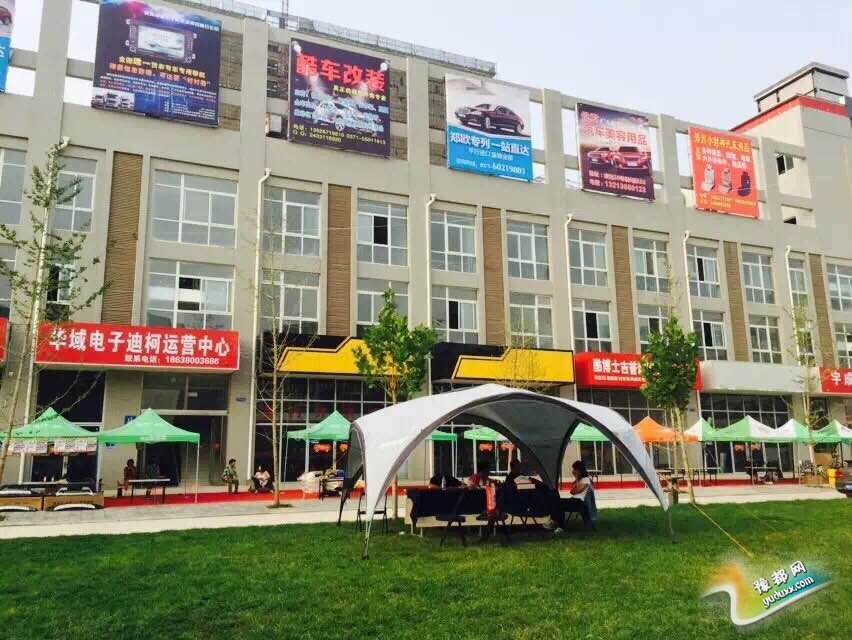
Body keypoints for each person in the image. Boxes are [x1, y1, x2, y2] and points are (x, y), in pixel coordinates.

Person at [543, 460, 593, 533]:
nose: (573, 471)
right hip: (573, 500)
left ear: (579, 470)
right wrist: (577, 480)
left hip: (578, 502)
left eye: (574, 469)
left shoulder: (586, 479)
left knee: (558, 503)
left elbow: (577, 491)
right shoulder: (579, 480)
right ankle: (555, 523)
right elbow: (571, 492)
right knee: (555, 501)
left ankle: (556, 524)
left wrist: (576, 478)